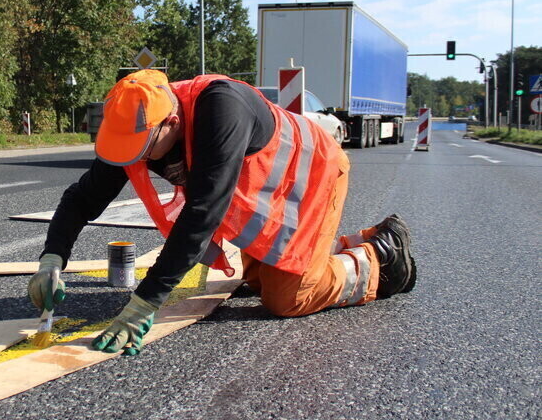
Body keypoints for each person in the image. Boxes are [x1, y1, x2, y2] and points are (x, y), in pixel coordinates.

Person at [28, 70, 416, 355]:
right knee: (259, 280)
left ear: (172, 124)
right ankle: (346, 245)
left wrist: (146, 301)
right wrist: (51, 260)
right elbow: (81, 199)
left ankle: (382, 258)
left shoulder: (220, 108)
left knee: (287, 299)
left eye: (143, 148)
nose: (135, 158)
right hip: (264, 195)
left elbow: (202, 213)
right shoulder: (137, 125)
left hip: (313, 177)